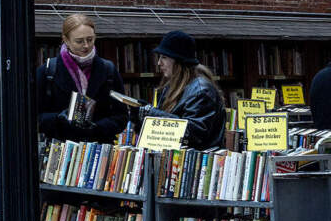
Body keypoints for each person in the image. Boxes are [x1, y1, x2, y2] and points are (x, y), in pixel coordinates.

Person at [36, 13, 129, 142]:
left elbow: (122, 116)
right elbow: (33, 118)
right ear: (66, 40)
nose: (86, 45)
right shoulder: (48, 71)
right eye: (79, 41)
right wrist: (58, 118)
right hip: (60, 150)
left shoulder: (108, 70)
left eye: (90, 39)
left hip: (99, 149)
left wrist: (98, 127)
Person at [152, 30, 227, 149]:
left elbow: (194, 134)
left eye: (164, 57)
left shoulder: (201, 91)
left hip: (197, 162)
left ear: (179, 60)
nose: (159, 63)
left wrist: (154, 114)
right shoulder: (171, 87)